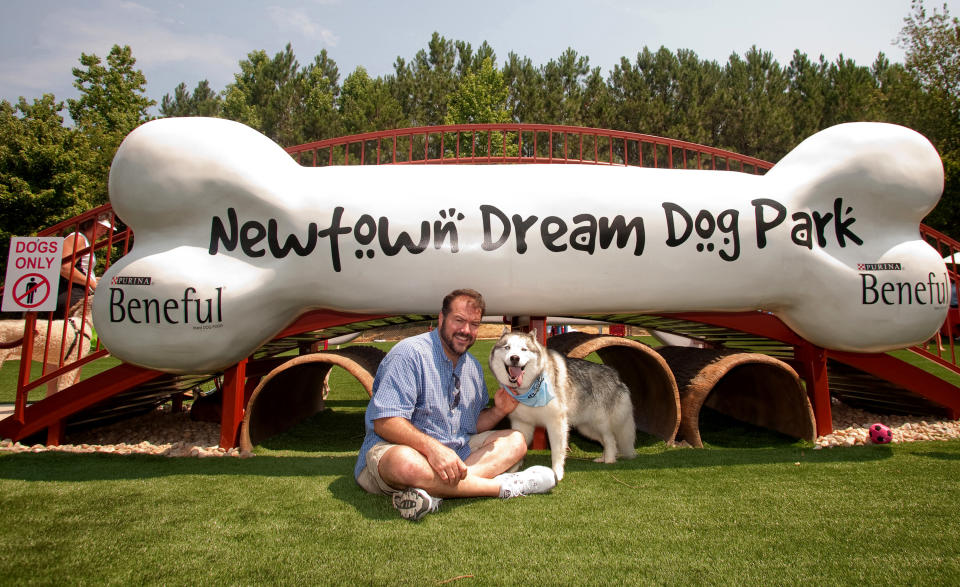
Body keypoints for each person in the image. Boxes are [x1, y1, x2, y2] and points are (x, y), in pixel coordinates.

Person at [354, 288, 556, 521]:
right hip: (396, 450)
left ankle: (435, 492)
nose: (466, 330)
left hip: (455, 453)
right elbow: (385, 423)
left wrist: (499, 411)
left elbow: (471, 425)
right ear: (441, 319)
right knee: (406, 465)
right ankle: (503, 487)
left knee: (516, 441)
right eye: (459, 320)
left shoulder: (472, 367)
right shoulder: (409, 354)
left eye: (474, 324)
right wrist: (433, 449)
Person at [57, 214, 113, 315]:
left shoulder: (84, 240)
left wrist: (96, 280)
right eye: (102, 227)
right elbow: (65, 268)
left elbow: (80, 269)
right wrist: (91, 283)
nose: (105, 231)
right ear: (90, 223)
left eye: (107, 229)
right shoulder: (77, 238)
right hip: (71, 294)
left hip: (77, 292)